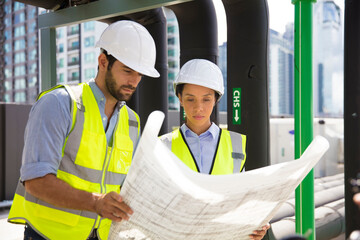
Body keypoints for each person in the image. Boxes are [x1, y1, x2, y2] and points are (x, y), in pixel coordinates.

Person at [8, 20, 159, 240]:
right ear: (103, 61)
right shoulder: (60, 104)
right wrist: (96, 202)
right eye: (127, 70)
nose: (134, 81)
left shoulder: (132, 121)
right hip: (49, 235)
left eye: (140, 75)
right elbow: (36, 180)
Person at [159, 59, 270, 240]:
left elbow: (241, 201)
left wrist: (254, 226)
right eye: (190, 99)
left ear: (217, 99)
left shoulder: (236, 144)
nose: (198, 107)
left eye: (206, 99)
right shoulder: (163, 146)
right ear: (179, 98)